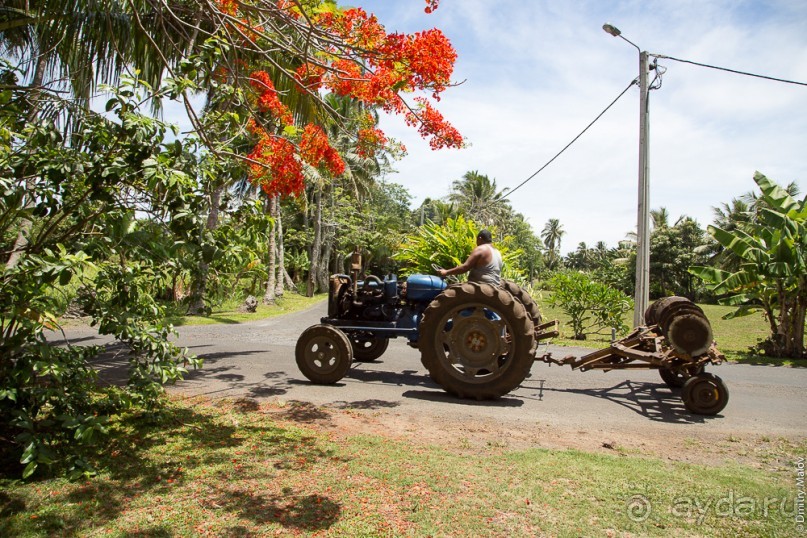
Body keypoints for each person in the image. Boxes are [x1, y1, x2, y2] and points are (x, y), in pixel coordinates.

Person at [437, 229, 503, 285]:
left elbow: (465, 267)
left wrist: (446, 272)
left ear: (479, 239)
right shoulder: (497, 252)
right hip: (495, 285)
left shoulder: (481, 249)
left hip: (481, 284)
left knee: (447, 293)